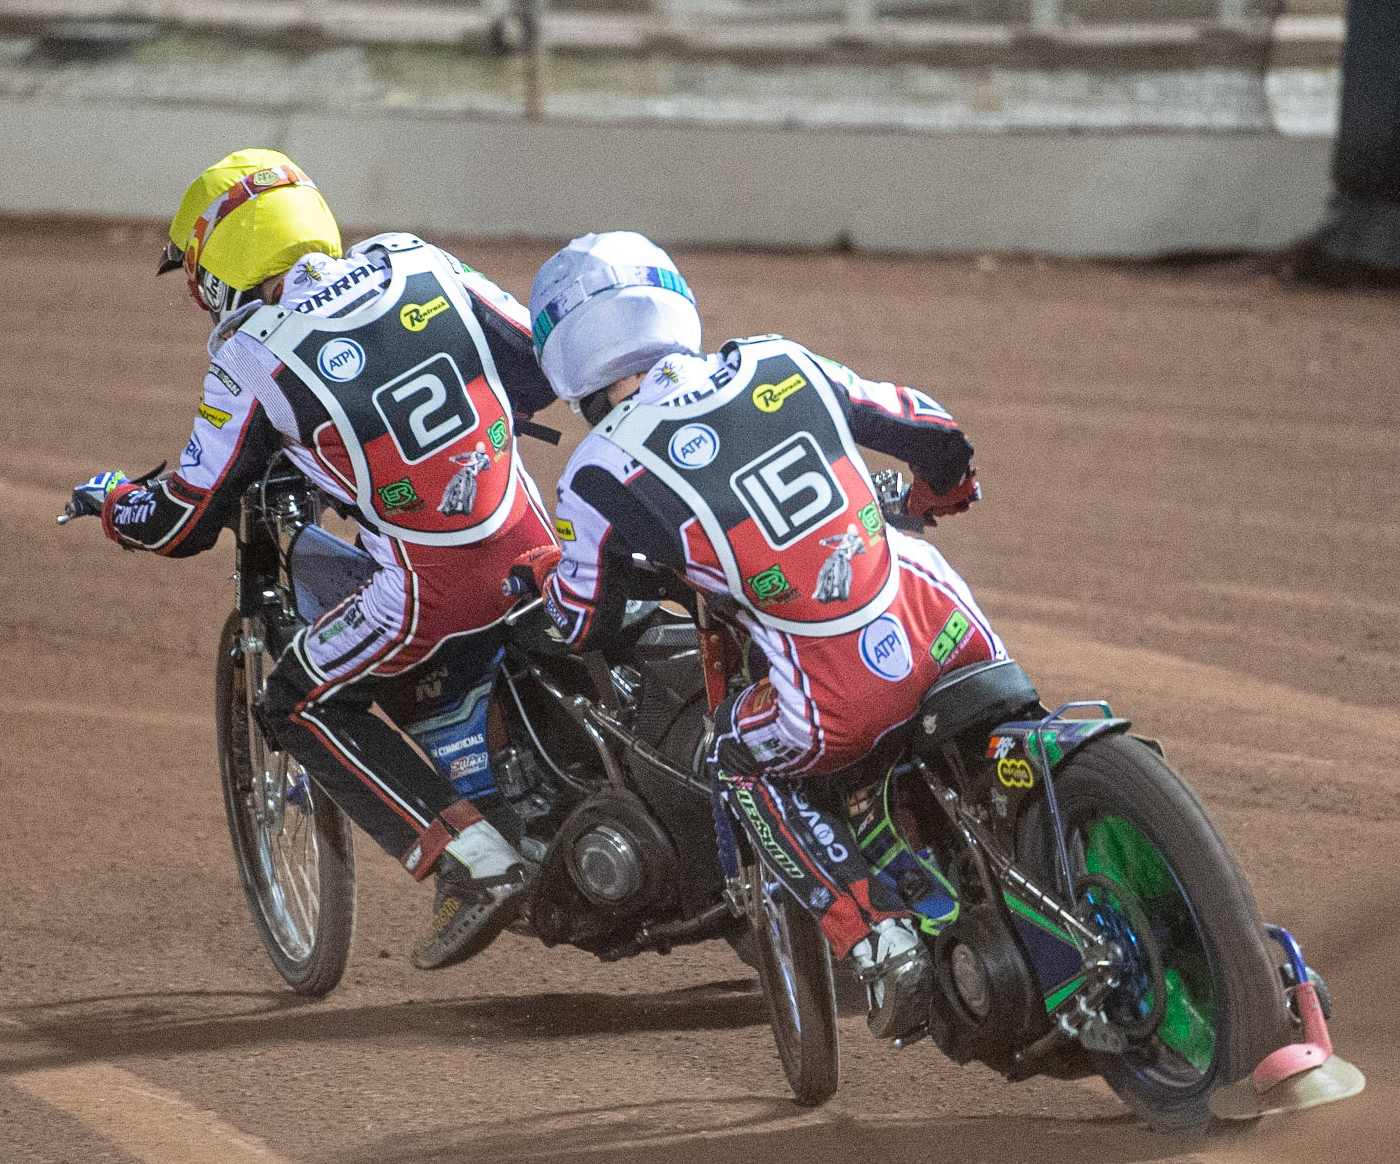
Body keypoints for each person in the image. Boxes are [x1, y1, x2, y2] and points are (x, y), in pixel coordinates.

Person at [67, 149, 558, 969]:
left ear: (216, 268)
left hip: (430, 592)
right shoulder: (418, 258)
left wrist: (114, 500)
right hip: (539, 549)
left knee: (292, 701)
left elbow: (184, 518)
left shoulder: (250, 352)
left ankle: (471, 862)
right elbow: (545, 363)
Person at [519, 231, 1005, 1034]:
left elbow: (582, 621)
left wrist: (541, 574)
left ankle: (875, 937)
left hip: (839, 691)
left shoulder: (598, 470)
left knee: (734, 757)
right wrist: (939, 491)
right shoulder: (780, 361)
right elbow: (928, 428)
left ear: (566, 358)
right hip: (943, 614)